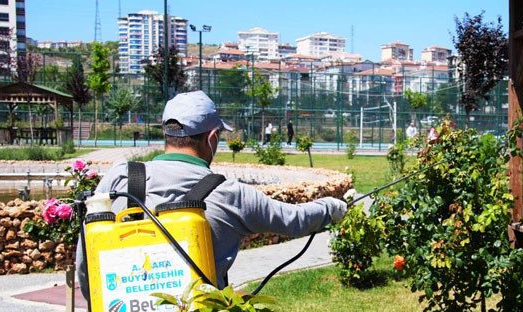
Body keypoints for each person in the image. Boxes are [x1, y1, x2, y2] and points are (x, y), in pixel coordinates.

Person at [76, 91, 347, 294]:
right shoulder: (230, 194)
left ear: (167, 134)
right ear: (211, 138)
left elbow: (85, 259)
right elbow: (293, 220)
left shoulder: (121, 177)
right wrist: (333, 208)